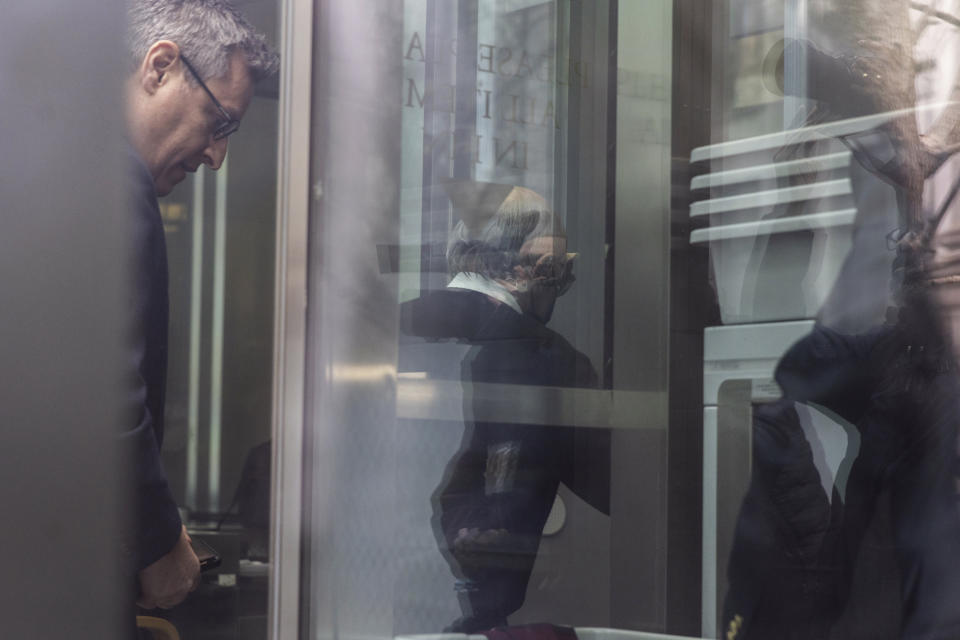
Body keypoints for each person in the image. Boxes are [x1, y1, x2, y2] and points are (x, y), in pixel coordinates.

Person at [121, 0, 277, 614]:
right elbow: (98, 388)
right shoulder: (114, 182)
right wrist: (156, 544)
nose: (217, 156)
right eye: (221, 122)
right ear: (160, 67)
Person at [400, 185, 610, 631]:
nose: (557, 290)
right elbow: (628, 487)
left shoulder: (386, 330)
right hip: (472, 614)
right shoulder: (550, 360)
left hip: (364, 598)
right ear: (521, 270)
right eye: (557, 272)